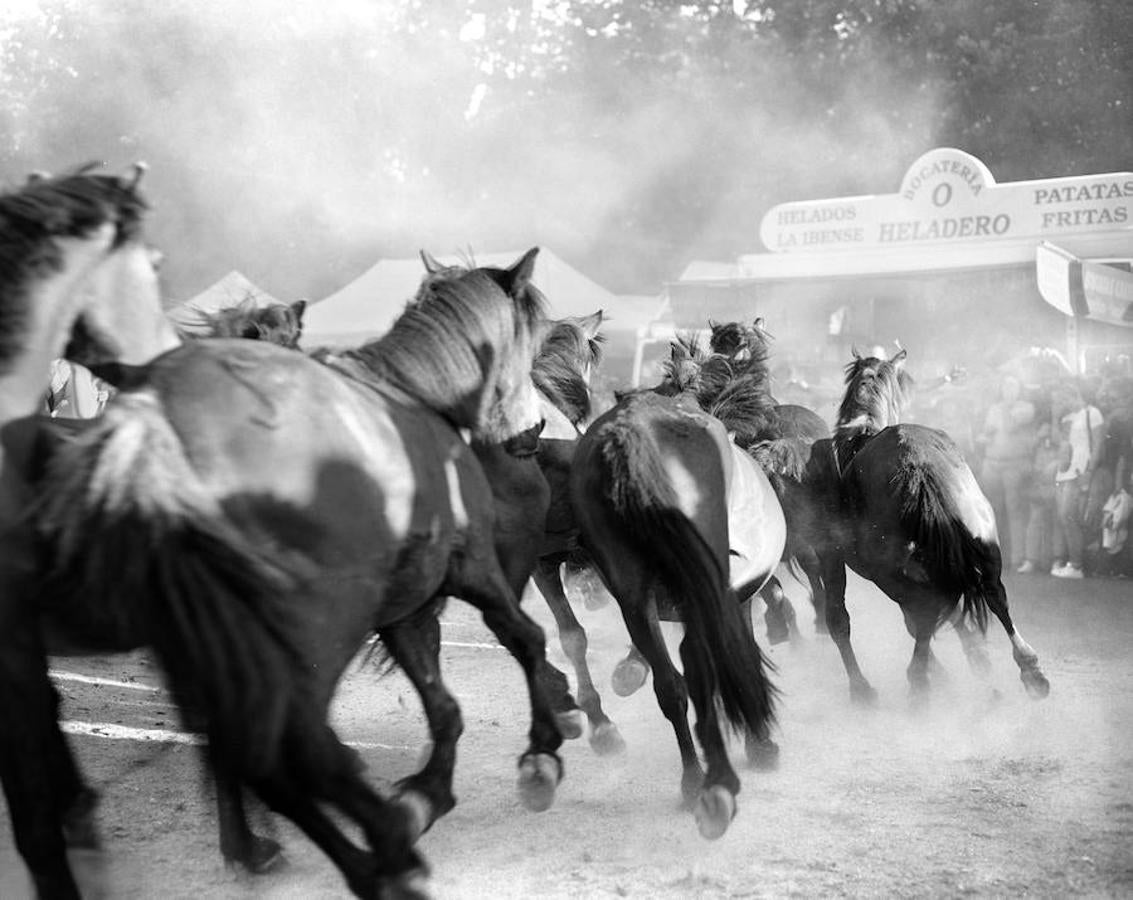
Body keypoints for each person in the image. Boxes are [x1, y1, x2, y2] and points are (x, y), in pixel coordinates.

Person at [976, 373, 1036, 573]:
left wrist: (1006, 408)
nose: (1008, 391)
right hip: (992, 463)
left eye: (1013, 387)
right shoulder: (994, 409)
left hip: (1014, 465)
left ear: (1019, 389)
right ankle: (992, 557)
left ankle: (1016, 559)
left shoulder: (1026, 408)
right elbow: (986, 432)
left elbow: (1010, 427)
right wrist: (984, 437)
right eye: (1005, 387)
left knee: (1014, 511)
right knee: (991, 512)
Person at [1050, 378, 1106, 579]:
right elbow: (1057, 441)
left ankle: (1077, 565)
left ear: (1072, 395)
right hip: (1065, 471)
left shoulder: (1093, 413)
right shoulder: (1067, 417)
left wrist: (1090, 471)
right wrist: (1055, 418)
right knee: (1066, 517)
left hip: (1080, 471)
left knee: (1069, 515)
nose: (1060, 403)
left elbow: (1099, 444)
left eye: (1062, 399)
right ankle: (1075, 563)